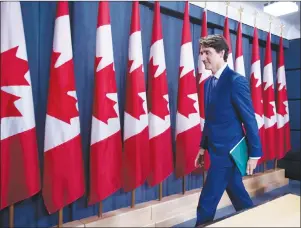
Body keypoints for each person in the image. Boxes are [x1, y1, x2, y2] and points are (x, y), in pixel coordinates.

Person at [194, 34, 262, 227]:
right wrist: (202, 147)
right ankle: (256, 221)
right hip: (214, 151)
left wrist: (254, 153)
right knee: (239, 196)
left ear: (222, 53)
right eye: (201, 53)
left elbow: (249, 120)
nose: (202, 57)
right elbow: (210, 120)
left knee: (206, 202)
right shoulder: (208, 83)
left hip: (229, 154)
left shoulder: (235, 81)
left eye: (207, 52)